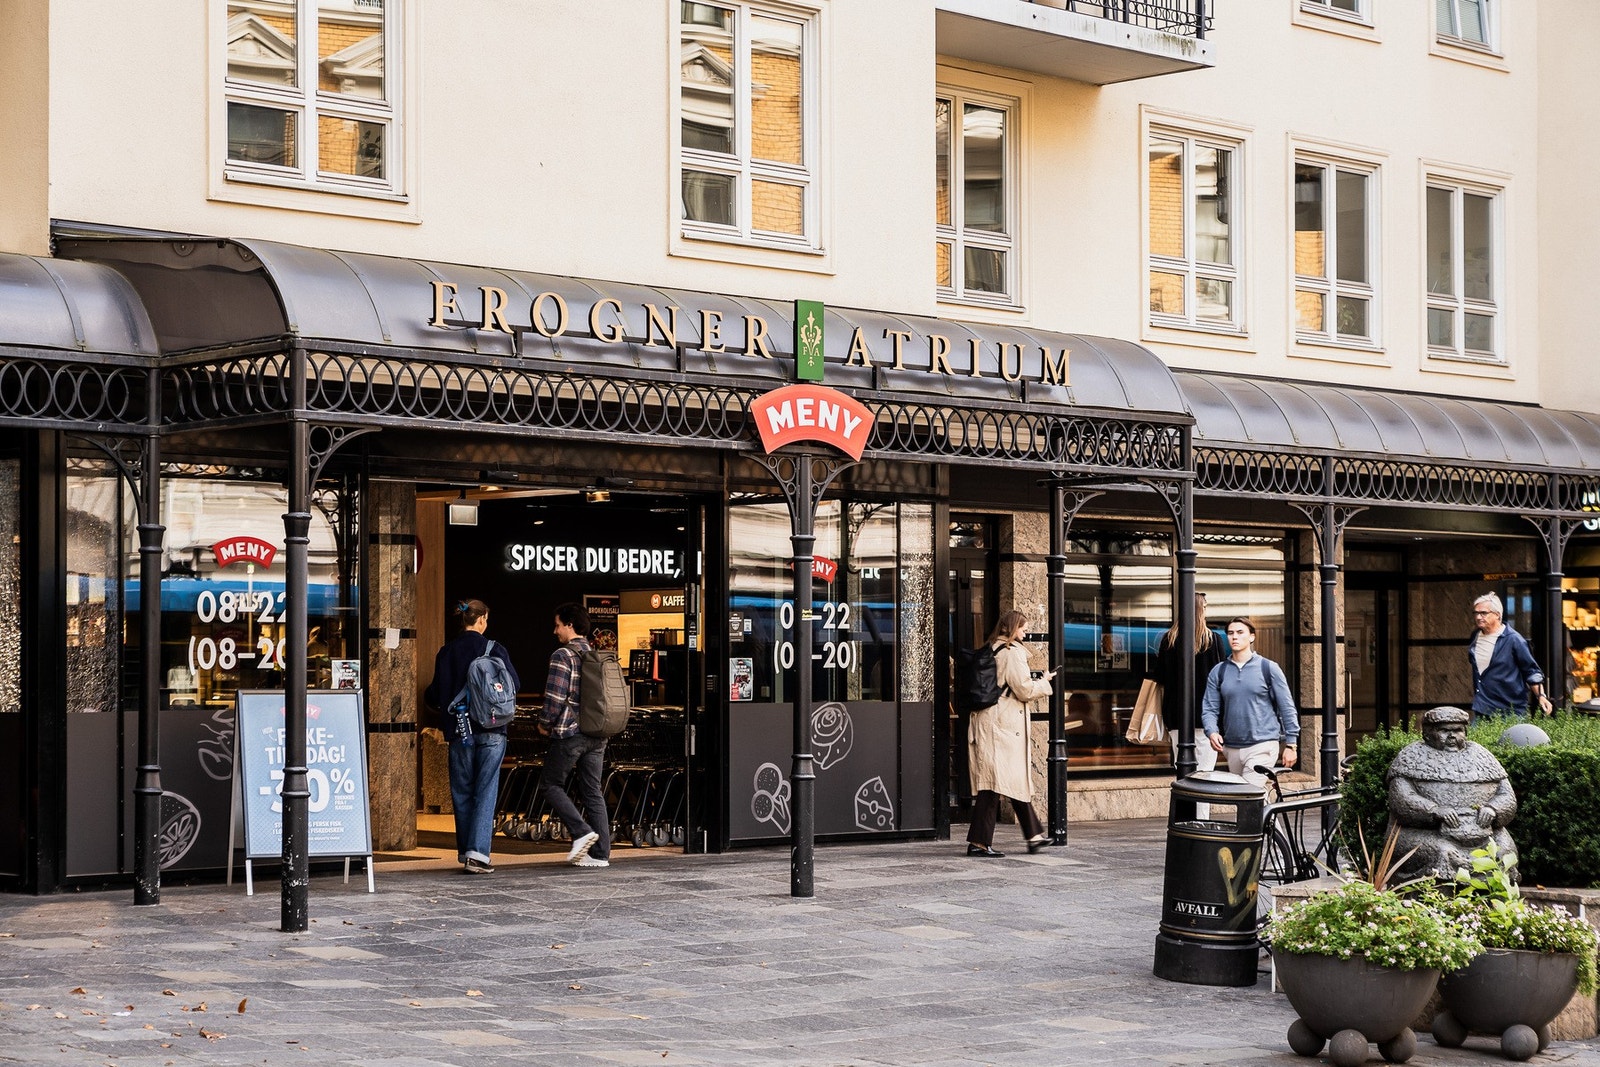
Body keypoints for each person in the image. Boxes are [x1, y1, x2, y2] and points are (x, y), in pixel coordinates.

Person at [424, 598, 518, 874]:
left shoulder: (446, 652)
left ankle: (466, 850)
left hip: (459, 729)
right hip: (492, 729)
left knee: (462, 790)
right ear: (482, 619)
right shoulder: (495, 649)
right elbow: (514, 684)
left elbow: (434, 693)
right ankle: (478, 854)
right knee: (485, 789)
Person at [966, 609, 1057, 858]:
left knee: (1009, 780)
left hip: (992, 722)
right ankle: (978, 843)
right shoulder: (1012, 652)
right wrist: (1045, 682)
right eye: (1023, 629)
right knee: (994, 784)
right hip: (1002, 725)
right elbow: (1024, 690)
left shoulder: (993, 648)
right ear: (1013, 628)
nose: (1025, 634)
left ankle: (1034, 836)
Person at [1387, 706, 1518, 881]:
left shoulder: (1482, 756)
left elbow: (1507, 796)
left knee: (1504, 853)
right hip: (1425, 834)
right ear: (1427, 734)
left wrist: (1493, 809)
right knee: (1444, 852)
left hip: (1484, 833)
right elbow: (1401, 799)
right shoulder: (1410, 757)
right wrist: (1434, 810)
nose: (1452, 736)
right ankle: (1440, 897)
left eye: (1458, 730)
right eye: (1444, 731)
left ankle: (1493, 896)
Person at [536, 602, 612, 869]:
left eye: (558, 625)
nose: (555, 630)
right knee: (592, 790)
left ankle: (581, 832)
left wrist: (545, 723)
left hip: (570, 733)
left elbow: (555, 697)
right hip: (597, 732)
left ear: (569, 625)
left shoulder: (563, 655)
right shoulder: (595, 654)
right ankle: (601, 854)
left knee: (550, 785)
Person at [1201, 616, 1297, 789]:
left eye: (1240, 632)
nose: (1234, 637)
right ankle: (1267, 808)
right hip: (1232, 748)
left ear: (1252, 637)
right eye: (1230, 633)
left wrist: (1291, 744)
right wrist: (1212, 731)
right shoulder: (1219, 671)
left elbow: (1287, 707)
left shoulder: (1268, 668)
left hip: (1263, 745)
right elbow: (1209, 708)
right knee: (1249, 797)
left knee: (1248, 794)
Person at [1152, 592, 1227, 777]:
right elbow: (1223, 678)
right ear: (1201, 610)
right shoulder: (1214, 640)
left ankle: (1186, 797)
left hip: (1176, 714)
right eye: (1205, 607)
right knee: (1205, 772)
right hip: (1207, 716)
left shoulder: (1169, 639)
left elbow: (1160, 677)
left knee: (1183, 772)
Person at [1467, 592, 1552, 720]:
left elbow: (1531, 671)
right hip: (1482, 708)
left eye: (1483, 613)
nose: (1478, 617)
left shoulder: (1514, 640)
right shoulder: (1475, 637)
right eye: (1476, 613)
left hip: (1510, 711)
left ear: (1497, 615)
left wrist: (1541, 696)